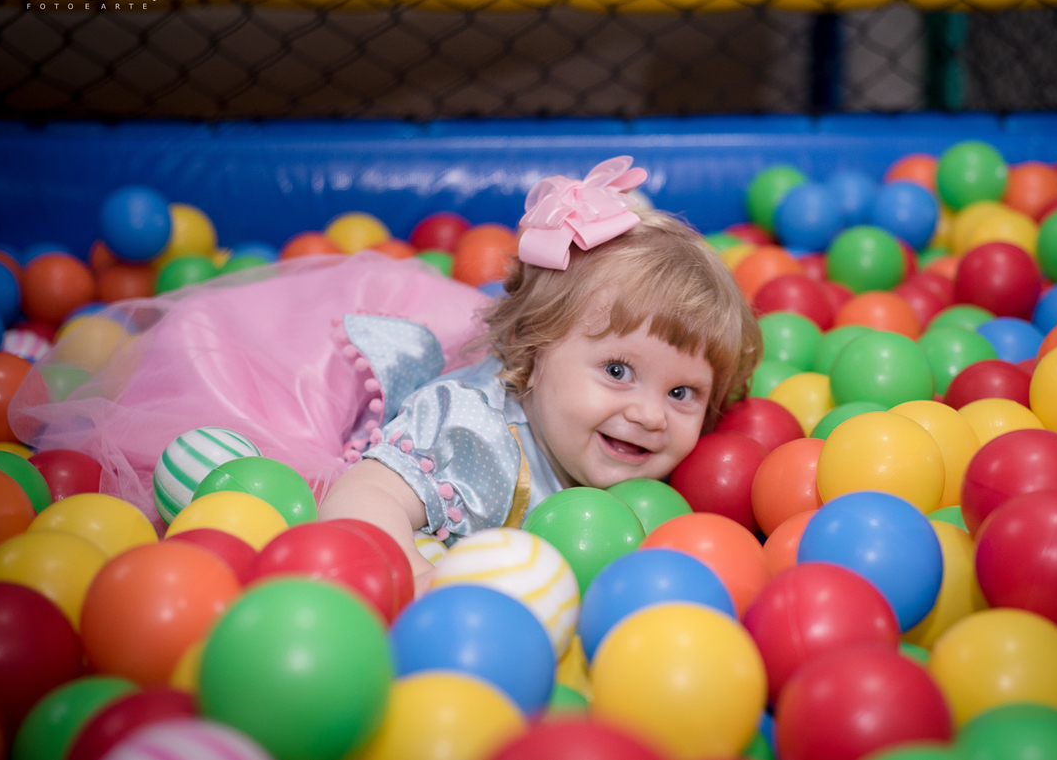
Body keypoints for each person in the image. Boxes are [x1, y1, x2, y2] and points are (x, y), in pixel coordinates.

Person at [318, 156, 762, 589]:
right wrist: (412, 578)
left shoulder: (664, 472)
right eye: (617, 370)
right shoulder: (476, 438)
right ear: (533, 351)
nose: (651, 416)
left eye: (682, 393)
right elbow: (364, 495)